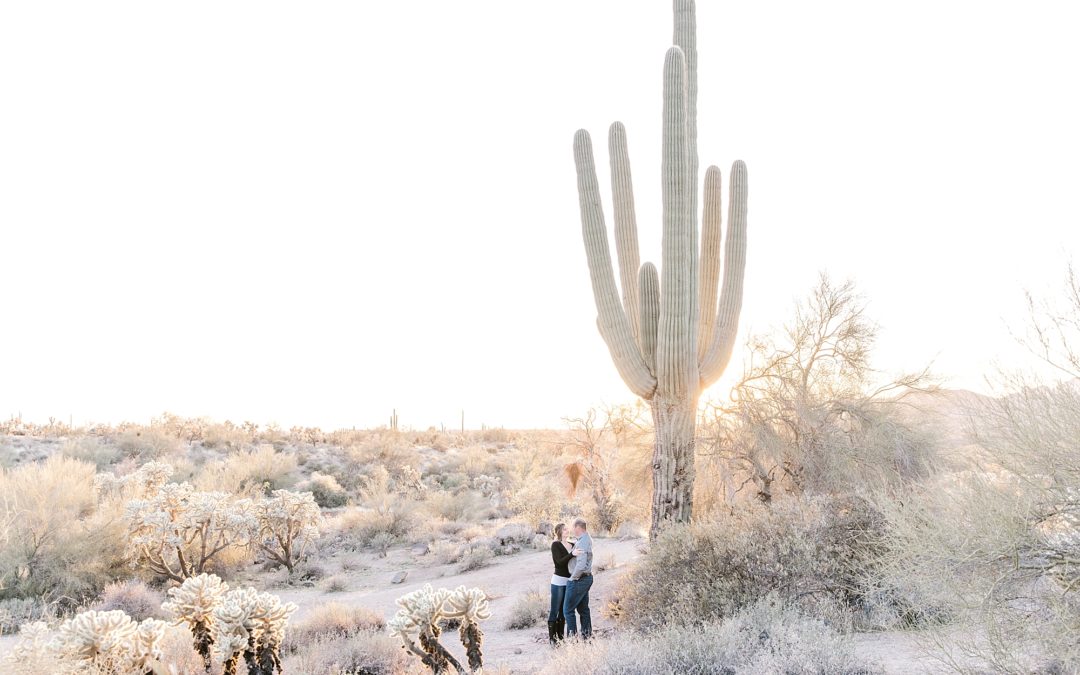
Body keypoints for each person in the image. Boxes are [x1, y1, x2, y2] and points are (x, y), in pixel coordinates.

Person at [562, 518, 593, 639]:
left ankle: (572, 640)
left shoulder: (582, 542)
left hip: (579, 579)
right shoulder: (585, 538)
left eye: (573, 527)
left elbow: (581, 564)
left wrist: (572, 578)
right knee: (583, 609)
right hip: (585, 579)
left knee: (568, 610)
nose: (572, 530)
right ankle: (587, 637)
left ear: (578, 528)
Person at [547, 523, 573, 645]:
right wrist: (572, 554)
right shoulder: (556, 545)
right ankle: (553, 640)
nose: (567, 531)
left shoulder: (573, 545)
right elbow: (559, 562)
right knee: (555, 610)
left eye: (567, 529)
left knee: (563, 610)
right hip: (558, 581)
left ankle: (560, 639)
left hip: (569, 581)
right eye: (564, 529)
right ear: (559, 531)